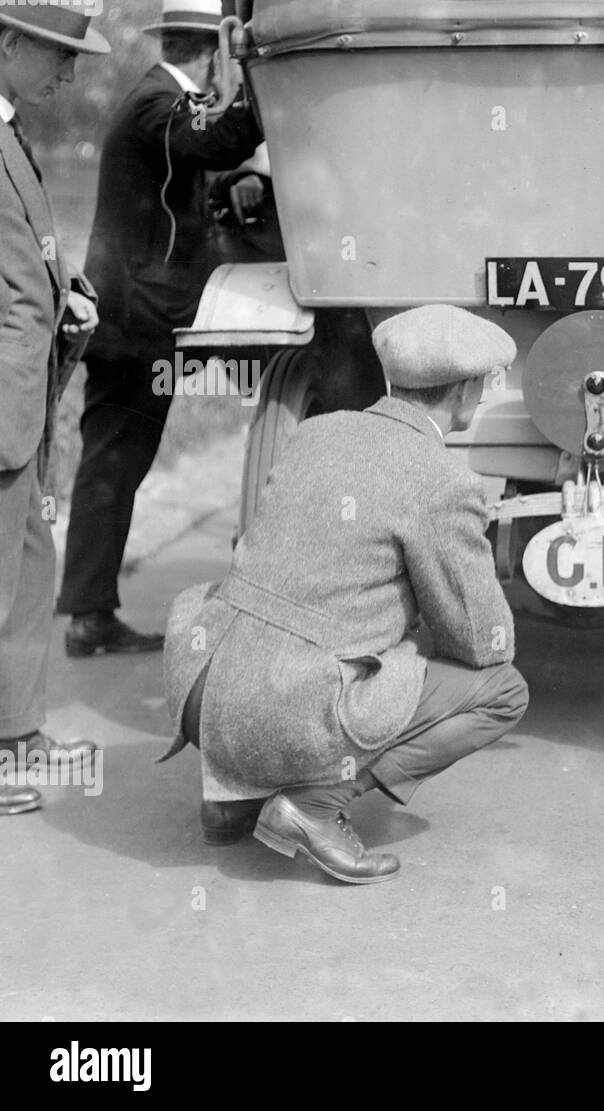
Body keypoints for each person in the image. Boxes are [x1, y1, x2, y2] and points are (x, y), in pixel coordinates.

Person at [160, 305, 530, 884]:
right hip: (279, 706)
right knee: (503, 692)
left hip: (201, 688)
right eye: (480, 386)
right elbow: (485, 643)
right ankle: (314, 804)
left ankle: (229, 798)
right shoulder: (445, 481)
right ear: (463, 390)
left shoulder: (318, 431)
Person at [55, 0, 263, 657]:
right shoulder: (155, 103)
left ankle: (91, 611)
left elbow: (183, 186)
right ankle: (88, 616)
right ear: (212, 51)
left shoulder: (157, 102)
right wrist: (260, 83)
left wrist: (226, 197)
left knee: (119, 460)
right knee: (113, 462)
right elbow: (218, 141)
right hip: (135, 320)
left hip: (135, 315)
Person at [0, 4, 108, 815]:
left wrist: (65, 286)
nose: (68, 75)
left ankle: (17, 738)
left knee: (30, 572)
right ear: (7, 41)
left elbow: (22, 265)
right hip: (4, 415)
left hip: (22, 412)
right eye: (58, 55)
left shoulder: (10, 135)